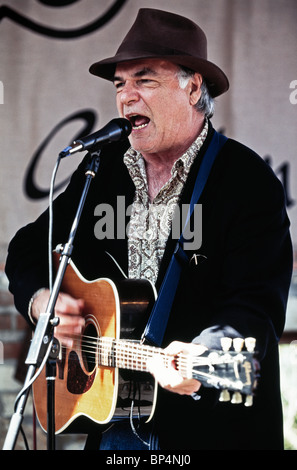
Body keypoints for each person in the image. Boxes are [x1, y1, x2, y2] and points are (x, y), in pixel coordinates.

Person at [5, 8, 293, 450]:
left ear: (193, 86)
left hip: (210, 433)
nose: (126, 97)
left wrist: (204, 355)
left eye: (145, 80)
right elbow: (29, 247)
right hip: (112, 430)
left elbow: (255, 303)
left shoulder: (245, 182)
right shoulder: (103, 170)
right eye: (120, 84)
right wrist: (44, 301)